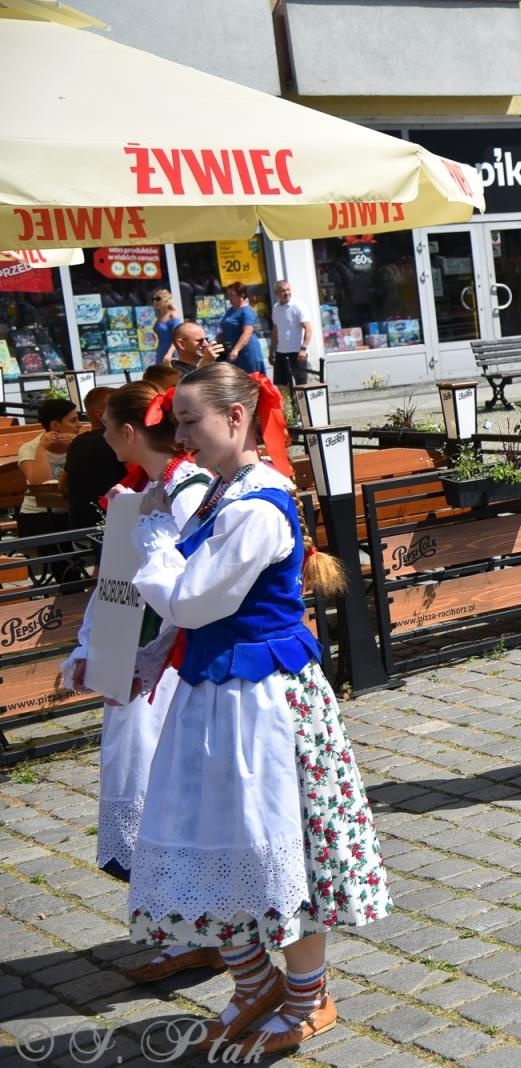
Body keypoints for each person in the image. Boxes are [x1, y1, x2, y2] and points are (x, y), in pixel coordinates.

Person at [127, 363, 388, 1053]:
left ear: (235, 419)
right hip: (218, 694)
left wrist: (149, 541)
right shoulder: (223, 493)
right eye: (176, 423)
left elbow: (190, 599)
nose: (180, 437)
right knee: (214, 836)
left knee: (278, 841)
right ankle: (253, 984)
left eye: (190, 421)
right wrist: (148, 660)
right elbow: (193, 616)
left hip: (262, 702)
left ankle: (308, 995)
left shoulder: (254, 506)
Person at [59, 381, 219, 983]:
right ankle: (189, 929)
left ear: (129, 432)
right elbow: (115, 587)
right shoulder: (142, 494)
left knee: (179, 805)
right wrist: (93, 651)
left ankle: (213, 933)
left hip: (175, 674)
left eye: (106, 426)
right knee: (156, 803)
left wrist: (143, 656)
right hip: (138, 671)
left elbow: (193, 591)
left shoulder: (187, 492)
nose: (99, 435)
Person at [17, 397, 78, 568]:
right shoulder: (30, 448)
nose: (78, 425)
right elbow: (40, 484)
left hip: (71, 510)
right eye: (73, 420)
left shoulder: (79, 444)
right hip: (37, 515)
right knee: (57, 545)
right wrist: (42, 449)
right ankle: (71, 589)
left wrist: (77, 445)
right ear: (55, 425)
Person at [63, 386, 125, 531]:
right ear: (100, 414)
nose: (124, 412)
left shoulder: (76, 443)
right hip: (115, 526)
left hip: (79, 527)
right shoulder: (116, 439)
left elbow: (63, 485)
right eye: (117, 408)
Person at [269, 280, 312, 388]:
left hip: (296, 352)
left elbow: (308, 328)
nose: (286, 293)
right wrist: (271, 351)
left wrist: (303, 349)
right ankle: (287, 405)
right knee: (280, 386)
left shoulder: (297, 306)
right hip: (281, 352)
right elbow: (275, 330)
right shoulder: (276, 308)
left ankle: (301, 405)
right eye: (283, 291)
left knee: (301, 386)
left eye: (288, 290)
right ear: (277, 294)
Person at [219, 282, 267, 376]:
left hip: (246, 353)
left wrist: (235, 350)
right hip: (232, 352)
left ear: (242, 295)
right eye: (228, 295)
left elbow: (247, 333)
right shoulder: (231, 310)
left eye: (232, 295)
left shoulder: (247, 311)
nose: (229, 298)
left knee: (251, 382)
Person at [151, 289, 182, 364]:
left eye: (158, 299)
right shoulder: (159, 316)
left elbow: (177, 337)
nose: (155, 301)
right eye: (153, 299)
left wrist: (169, 353)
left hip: (171, 352)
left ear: (166, 300)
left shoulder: (172, 314)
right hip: (161, 351)